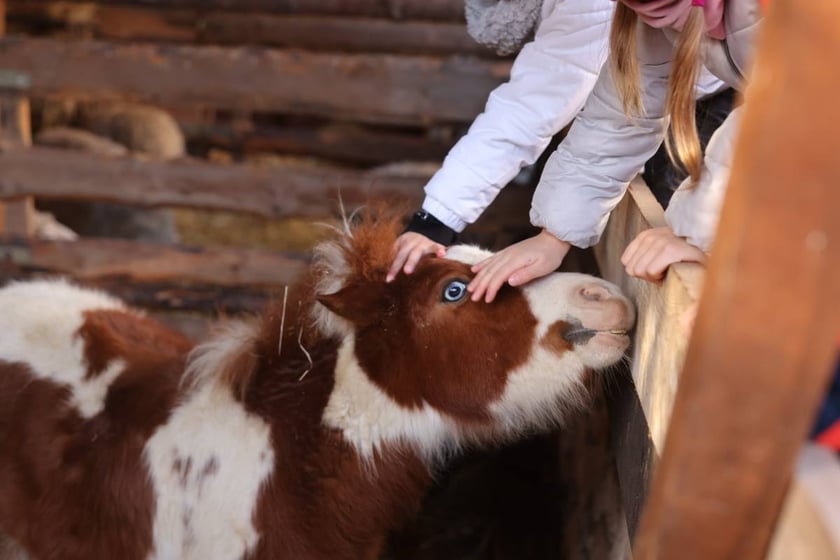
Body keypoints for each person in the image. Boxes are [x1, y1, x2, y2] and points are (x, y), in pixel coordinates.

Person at [388, 0, 758, 303]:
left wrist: (694, 229)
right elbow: (619, 120)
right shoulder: (646, 19)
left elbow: (787, 109)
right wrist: (555, 237)